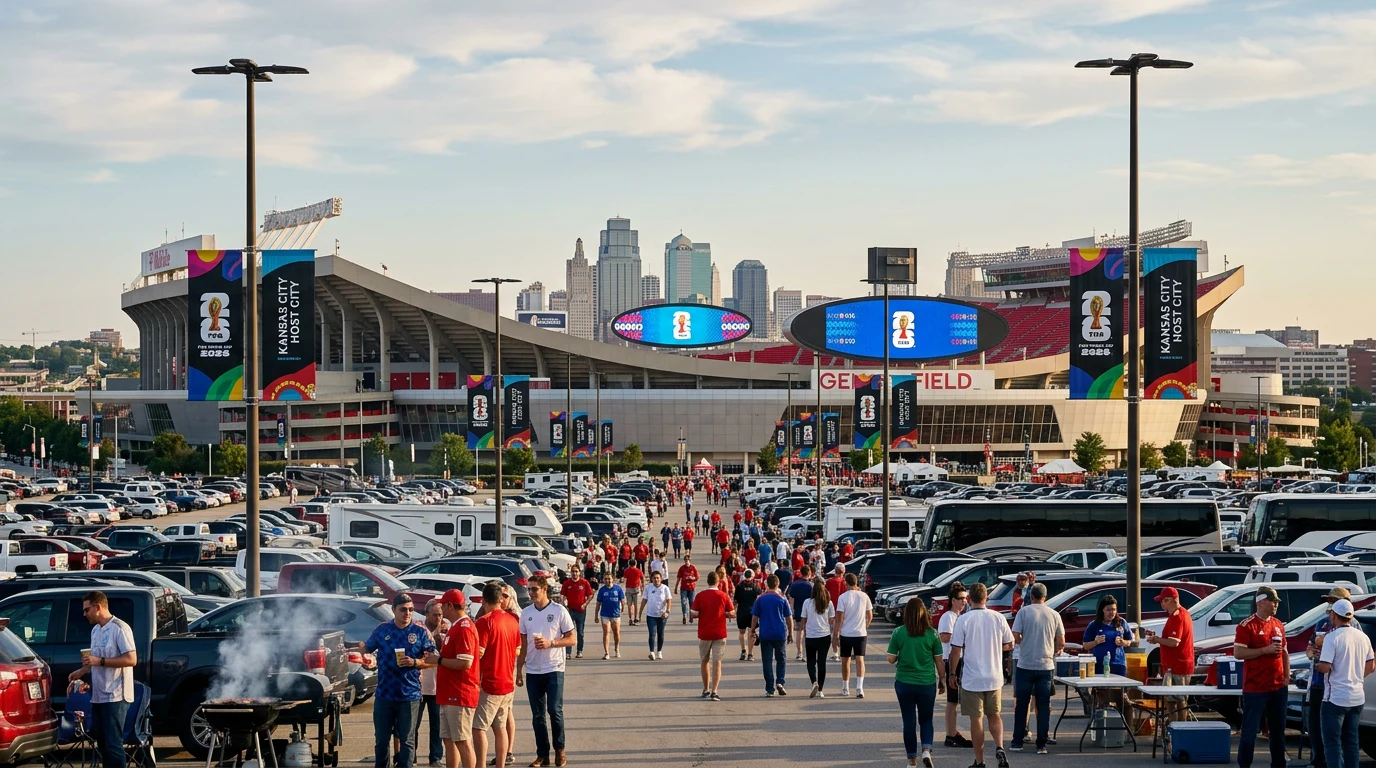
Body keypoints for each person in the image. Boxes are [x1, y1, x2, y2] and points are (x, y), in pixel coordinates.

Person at [365, 593, 439, 768]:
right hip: (385, 694)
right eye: (403, 609)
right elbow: (367, 649)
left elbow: (433, 660)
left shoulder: (420, 632)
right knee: (382, 740)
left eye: (411, 610)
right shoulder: (383, 630)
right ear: (393, 610)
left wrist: (416, 662)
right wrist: (367, 660)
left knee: (407, 741)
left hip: (409, 695)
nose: (408, 613)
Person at [66, 591, 137, 768]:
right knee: (103, 742)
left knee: (113, 743)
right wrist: (82, 671)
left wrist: (101, 661)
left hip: (116, 694)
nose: (84, 614)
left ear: (98, 607)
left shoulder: (120, 628)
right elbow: (96, 660)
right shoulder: (95, 630)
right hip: (98, 694)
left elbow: (131, 659)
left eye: (87, 610)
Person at [948, 582, 1015, 768]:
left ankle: (980, 760)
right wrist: (994, 647)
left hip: (972, 679)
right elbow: (1010, 644)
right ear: (986, 598)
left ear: (969, 599)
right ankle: (1000, 746)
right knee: (994, 715)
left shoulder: (964, 619)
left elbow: (955, 650)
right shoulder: (998, 618)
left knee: (976, 720)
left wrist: (952, 673)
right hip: (994, 676)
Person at [517, 575, 576, 768]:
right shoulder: (526, 613)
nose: (531, 593)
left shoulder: (558, 611)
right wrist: (519, 669)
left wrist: (551, 643)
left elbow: (571, 639)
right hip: (533, 670)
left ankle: (560, 749)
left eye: (534, 589)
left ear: (544, 589)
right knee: (537, 715)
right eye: (529, 589)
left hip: (554, 668)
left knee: (554, 710)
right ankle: (542, 754)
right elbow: (523, 644)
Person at [1234, 586, 1291, 768]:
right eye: (1272, 602)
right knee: (1250, 731)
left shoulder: (1278, 624)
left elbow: (1284, 651)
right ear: (1260, 602)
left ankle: (1279, 764)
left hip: (1277, 685)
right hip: (1256, 687)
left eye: (1276, 602)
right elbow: (1238, 653)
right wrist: (1263, 650)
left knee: (1278, 731)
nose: (1275, 605)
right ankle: (1245, 764)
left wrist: (1287, 674)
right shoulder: (1247, 625)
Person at [1316, 597, 1375, 768]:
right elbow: (1371, 665)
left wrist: (1317, 663)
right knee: (1352, 743)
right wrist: (1355, 676)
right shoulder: (1363, 637)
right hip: (1357, 697)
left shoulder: (1332, 637)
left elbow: (1326, 667)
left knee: (1332, 744)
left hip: (1335, 698)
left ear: (1334, 615)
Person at [888, 597, 947, 768]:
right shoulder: (932, 634)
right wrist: (942, 679)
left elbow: (891, 659)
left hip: (904, 682)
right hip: (926, 683)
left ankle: (911, 760)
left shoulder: (899, 632)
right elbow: (939, 661)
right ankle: (927, 750)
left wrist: (901, 654)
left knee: (909, 721)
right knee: (926, 719)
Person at [1010, 583, 1064, 754]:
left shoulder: (1023, 612)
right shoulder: (1054, 614)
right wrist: (1054, 649)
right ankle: (1042, 744)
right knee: (1043, 705)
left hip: (1025, 664)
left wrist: (1023, 642)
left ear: (1031, 596)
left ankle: (1017, 742)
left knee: (1022, 705)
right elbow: (1061, 641)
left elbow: (1016, 636)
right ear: (1045, 597)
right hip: (1045, 665)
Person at [1303, 587, 1352, 768]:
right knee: (1314, 724)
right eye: (1329, 601)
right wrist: (1312, 653)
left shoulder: (1352, 626)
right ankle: (1318, 760)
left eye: (1334, 601)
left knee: (1340, 731)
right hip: (1318, 682)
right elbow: (1308, 649)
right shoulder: (1322, 623)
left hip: (1338, 685)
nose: (1330, 605)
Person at [473, 582, 520, 768]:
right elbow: (517, 649)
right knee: (500, 727)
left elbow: (479, 653)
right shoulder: (512, 620)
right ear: (501, 599)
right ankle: (501, 764)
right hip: (507, 681)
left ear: (483, 601)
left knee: (478, 727)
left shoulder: (484, 621)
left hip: (490, 683)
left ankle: (480, 764)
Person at [435, 590, 478, 768]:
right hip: (449, 693)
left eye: (443, 605)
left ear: (450, 606)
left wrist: (437, 660)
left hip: (459, 693)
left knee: (462, 740)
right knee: (449, 739)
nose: (441, 609)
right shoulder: (456, 626)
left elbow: (464, 663)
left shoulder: (464, 628)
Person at [1145, 586, 1195, 732]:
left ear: (1174, 600)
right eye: (1161, 601)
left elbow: (1174, 642)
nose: (1162, 604)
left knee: (1178, 702)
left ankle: (1178, 731)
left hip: (1178, 666)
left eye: (1164, 601)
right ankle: (1175, 730)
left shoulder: (1178, 616)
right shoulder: (1181, 614)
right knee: (1174, 701)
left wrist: (1157, 640)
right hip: (1175, 665)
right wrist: (1158, 637)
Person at [691, 571, 736, 701]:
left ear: (708, 581)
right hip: (720, 632)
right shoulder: (723, 595)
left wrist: (702, 614)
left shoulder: (701, 595)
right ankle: (715, 691)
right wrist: (725, 614)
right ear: (718, 582)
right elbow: (732, 612)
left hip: (705, 632)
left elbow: (693, 613)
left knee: (704, 661)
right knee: (717, 662)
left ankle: (706, 689)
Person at [416, 600, 450, 767]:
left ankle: (435, 758)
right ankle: (411, 756)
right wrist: (435, 633)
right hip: (420, 687)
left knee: (437, 726)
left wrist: (441, 635)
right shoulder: (419, 631)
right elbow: (423, 652)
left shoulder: (446, 631)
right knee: (413, 724)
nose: (439, 618)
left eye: (441, 614)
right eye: (435, 615)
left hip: (438, 686)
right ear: (427, 615)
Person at [939, 584, 973, 749]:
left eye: (965, 598)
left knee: (956, 700)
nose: (964, 602)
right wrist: (962, 638)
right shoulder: (948, 616)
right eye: (960, 599)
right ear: (952, 600)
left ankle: (953, 732)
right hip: (951, 660)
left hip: (961, 660)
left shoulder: (962, 616)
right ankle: (950, 734)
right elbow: (945, 637)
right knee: (952, 700)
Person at [752, 573, 793, 697]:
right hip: (780, 633)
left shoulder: (760, 598)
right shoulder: (782, 599)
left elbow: (754, 616)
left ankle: (770, 688)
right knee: (781, 659)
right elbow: (789, 618)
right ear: (778, 584)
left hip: (765, 633)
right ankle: (780, 681)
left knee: (767, 661)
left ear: (766, 584)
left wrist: (752, 630)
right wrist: (790, 633)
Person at [833, 572, 874, 698]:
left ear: (846, 583)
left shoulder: (843, 597)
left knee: (845, 660)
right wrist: (865, 626)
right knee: (860, 659)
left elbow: (839, 617)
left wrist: (836, 634)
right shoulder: (864, 596)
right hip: (860, 633)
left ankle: (845, 687)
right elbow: (870, 615)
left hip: (846, 633)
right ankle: (859, 688)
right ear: (856, 582)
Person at [800, 575, 836, 698]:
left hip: (811, 635)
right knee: (822, 662)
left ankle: (814, 682)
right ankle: (820, 689)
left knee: (810, 661)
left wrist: (805, 631)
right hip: (824, 635)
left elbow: (803, 620)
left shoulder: (807, 602)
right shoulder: (828, 602)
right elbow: (832, 619)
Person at [1081, 594, 1133, 676]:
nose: (1111, 612)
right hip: (1099, 664)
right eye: (1108, 610)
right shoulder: (1094, 625)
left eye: (1114, 609)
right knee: (1101, 688)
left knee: (1118, 688)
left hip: (1118, 664)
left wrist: (1123, 642)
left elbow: (1130, 641)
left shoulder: (1122, 622)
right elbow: (1085, 646)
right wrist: (1096, 642)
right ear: (1102, 610)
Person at [560, 570, 593, 660]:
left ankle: (579, 651)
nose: (574, 573)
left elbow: (590, 595)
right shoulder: (567, 583)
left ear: (579, 572)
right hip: (570, 611)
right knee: (568, 632)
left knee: (580, 632)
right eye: (573, 572)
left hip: (581, 611)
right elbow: (562, 595)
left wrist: (585, 604)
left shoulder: (584, 582)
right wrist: (564, 604)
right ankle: (568, 652)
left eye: (576, 572)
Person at [641, 570, 672, 659]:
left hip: (662, 615)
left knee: (660, 633)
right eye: (654, 578)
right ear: (651, 579)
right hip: (651, 615)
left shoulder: (665, 588)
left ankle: (659, 651)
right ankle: (651, 652)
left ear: (661, 579)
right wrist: (639, 614)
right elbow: (644, 600)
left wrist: (667, 612)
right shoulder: (648, 588)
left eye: (658, 578)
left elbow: (669, 600)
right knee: (652, 634)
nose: (656, 580)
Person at [594, 571, 624, 659]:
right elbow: (598, 603)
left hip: (615, 614)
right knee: (606, 632)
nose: (607, 581)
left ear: (613, 579)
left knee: (616, 633)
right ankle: (606, 652)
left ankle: (616, 649)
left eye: (609, 579)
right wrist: (596, 615)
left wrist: (622, 607)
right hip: (605, 614)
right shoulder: (602, 590)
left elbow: (622, 599)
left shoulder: (618, 589)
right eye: (605, 579)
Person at [735, 569, 763, 662]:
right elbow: (760, 598)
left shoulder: (739, 587)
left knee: (741, 633)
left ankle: (743, 651)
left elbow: (735, 601)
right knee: (751, 632)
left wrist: (734, 611)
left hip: (742, 612)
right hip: (752, 613)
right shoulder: (756, 586)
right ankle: (750, 654)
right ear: (752, 576)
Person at [789, 565, 815, 660]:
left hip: (798, 611)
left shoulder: (794, 584)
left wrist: (791, 610)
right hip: (809, 612)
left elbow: (791, 599)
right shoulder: (811, 586)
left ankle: (799, 652)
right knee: (807, 633)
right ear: (809, 573)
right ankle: (805, 653)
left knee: (799, 633)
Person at [675, 554, 700, 624]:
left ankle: (691, 615)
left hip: (691, 588)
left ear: (689, 561)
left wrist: (693, 578)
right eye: (685, 561)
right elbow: (678, 578)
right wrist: (676, 587)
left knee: (691, 603)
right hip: (684, 588)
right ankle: (684, 616)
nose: (686, 562)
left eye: (687, 560)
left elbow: (697, 577)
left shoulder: (693, 568)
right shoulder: (682, 568)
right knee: (684, 602)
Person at [623, 561, 644, 626]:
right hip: (636, 588)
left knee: (629, 605)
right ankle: (635, 618)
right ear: (636, 564)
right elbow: (642, 579)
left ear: (629, 564)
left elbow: (625, 579)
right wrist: (642, 587)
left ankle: (630, 619)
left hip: (628, 589)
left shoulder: (626, 571)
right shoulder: (638, 571)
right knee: (636, 605)